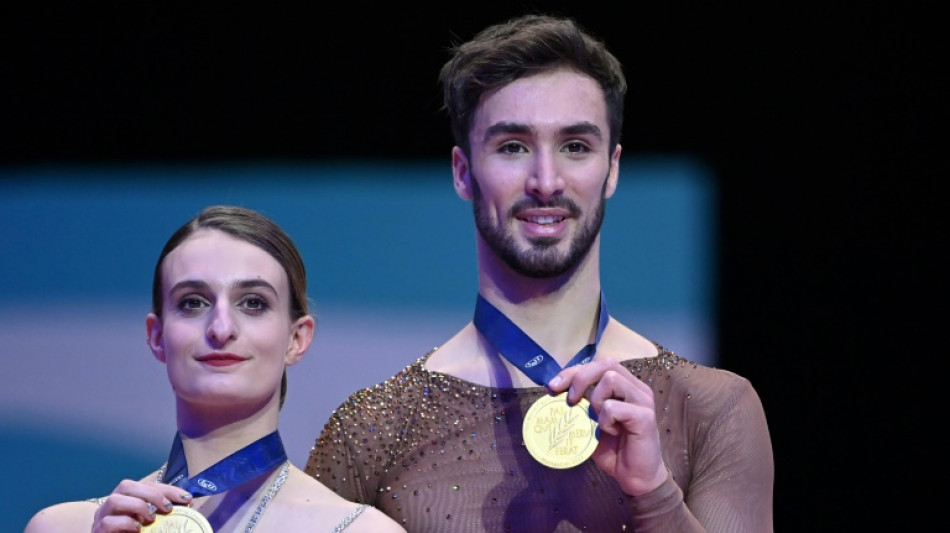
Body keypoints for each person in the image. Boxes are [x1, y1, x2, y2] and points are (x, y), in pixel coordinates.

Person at [305, 14, 774, 532]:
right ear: (463, 172)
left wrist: (655, 495)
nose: (546, 181)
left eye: (576, 146)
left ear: (612, 168)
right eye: (513, 147)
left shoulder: (712, 409)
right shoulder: (372, 429)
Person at [24, 205, 405, 533]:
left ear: (296, 339)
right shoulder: (65, 527)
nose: (221, 329)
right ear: (157, 336)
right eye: (192, 303)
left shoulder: (360, 530)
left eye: (253, 303)